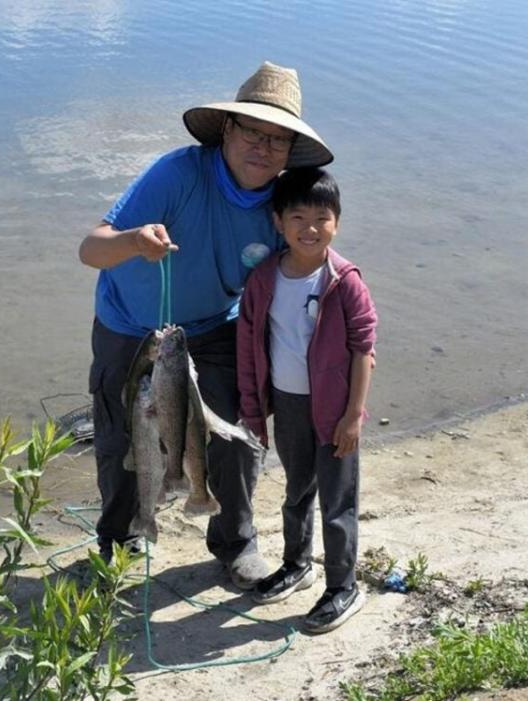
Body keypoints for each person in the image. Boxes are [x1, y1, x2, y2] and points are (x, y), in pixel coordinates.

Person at [78, 62, 334, 590]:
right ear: (227, 130)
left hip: (218, 326)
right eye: (252, 132)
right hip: (131, 326)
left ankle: (235, 542)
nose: (263, 147)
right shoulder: (177, 173)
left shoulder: (285, 205)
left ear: (290, 151)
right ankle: (121, 540)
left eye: (278, 139)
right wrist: (133, 241)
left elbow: (310, 268)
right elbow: (91, 249)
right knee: (121, 437)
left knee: (239, 433)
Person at [237, 167, 377, 633]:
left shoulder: (345, 282)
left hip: (336, 410)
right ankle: (297, 564)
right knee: (296, 491)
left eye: (322, 216)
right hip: (289, 404)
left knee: (338, 501)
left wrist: (354, 416)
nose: (310, 228)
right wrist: (254, 412)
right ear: (277, 221)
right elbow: (250, 348)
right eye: (298, 216)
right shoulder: (263, 280)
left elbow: (364, 352)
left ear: (337, 221)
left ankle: (343, 586)